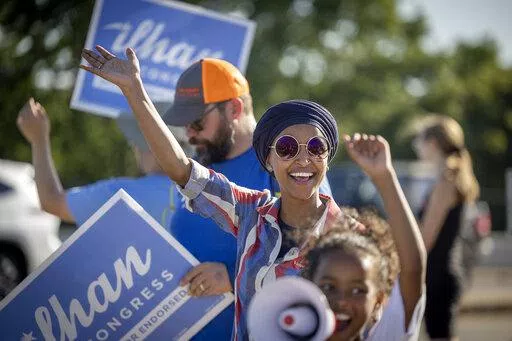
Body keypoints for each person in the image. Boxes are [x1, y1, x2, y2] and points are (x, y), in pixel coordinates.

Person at [79, 46, 425, 341]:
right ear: (269, 161)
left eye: (316, 147)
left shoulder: (348, 237)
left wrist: (385, 176)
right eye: (287, 147)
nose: (303, 158)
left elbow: (410, 277)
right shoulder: (250, 213)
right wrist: (134, 91)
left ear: (327, 161)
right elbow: (181, 169)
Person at [165, 58, 334, 339]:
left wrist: (232, 277)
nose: (189, 135)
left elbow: (321, 253)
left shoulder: (288, 164)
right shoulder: (198, 164)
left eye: (197, 122)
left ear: (234, 108)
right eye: (185, 126)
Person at [302, 134, 426, 340]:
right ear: (309, 288)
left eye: (358, 290)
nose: (342, 301)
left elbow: (412, 268)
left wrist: (383, 176)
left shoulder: (387, 335)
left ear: (379, 299)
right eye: (328, 287)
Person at [16, 98, 190, 227]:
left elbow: (51, 201)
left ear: (145, 144)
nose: (133, 148)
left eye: (135, 141)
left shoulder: (122, 196)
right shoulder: (207, 191)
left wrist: (38, 139)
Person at [412, 115, 480, 341]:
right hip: (442, 273)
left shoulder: (445, 182)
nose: (416, 147)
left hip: (439, 276)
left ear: (432, 143)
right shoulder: (451, 178)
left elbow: (425, 238)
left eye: (418, 141)